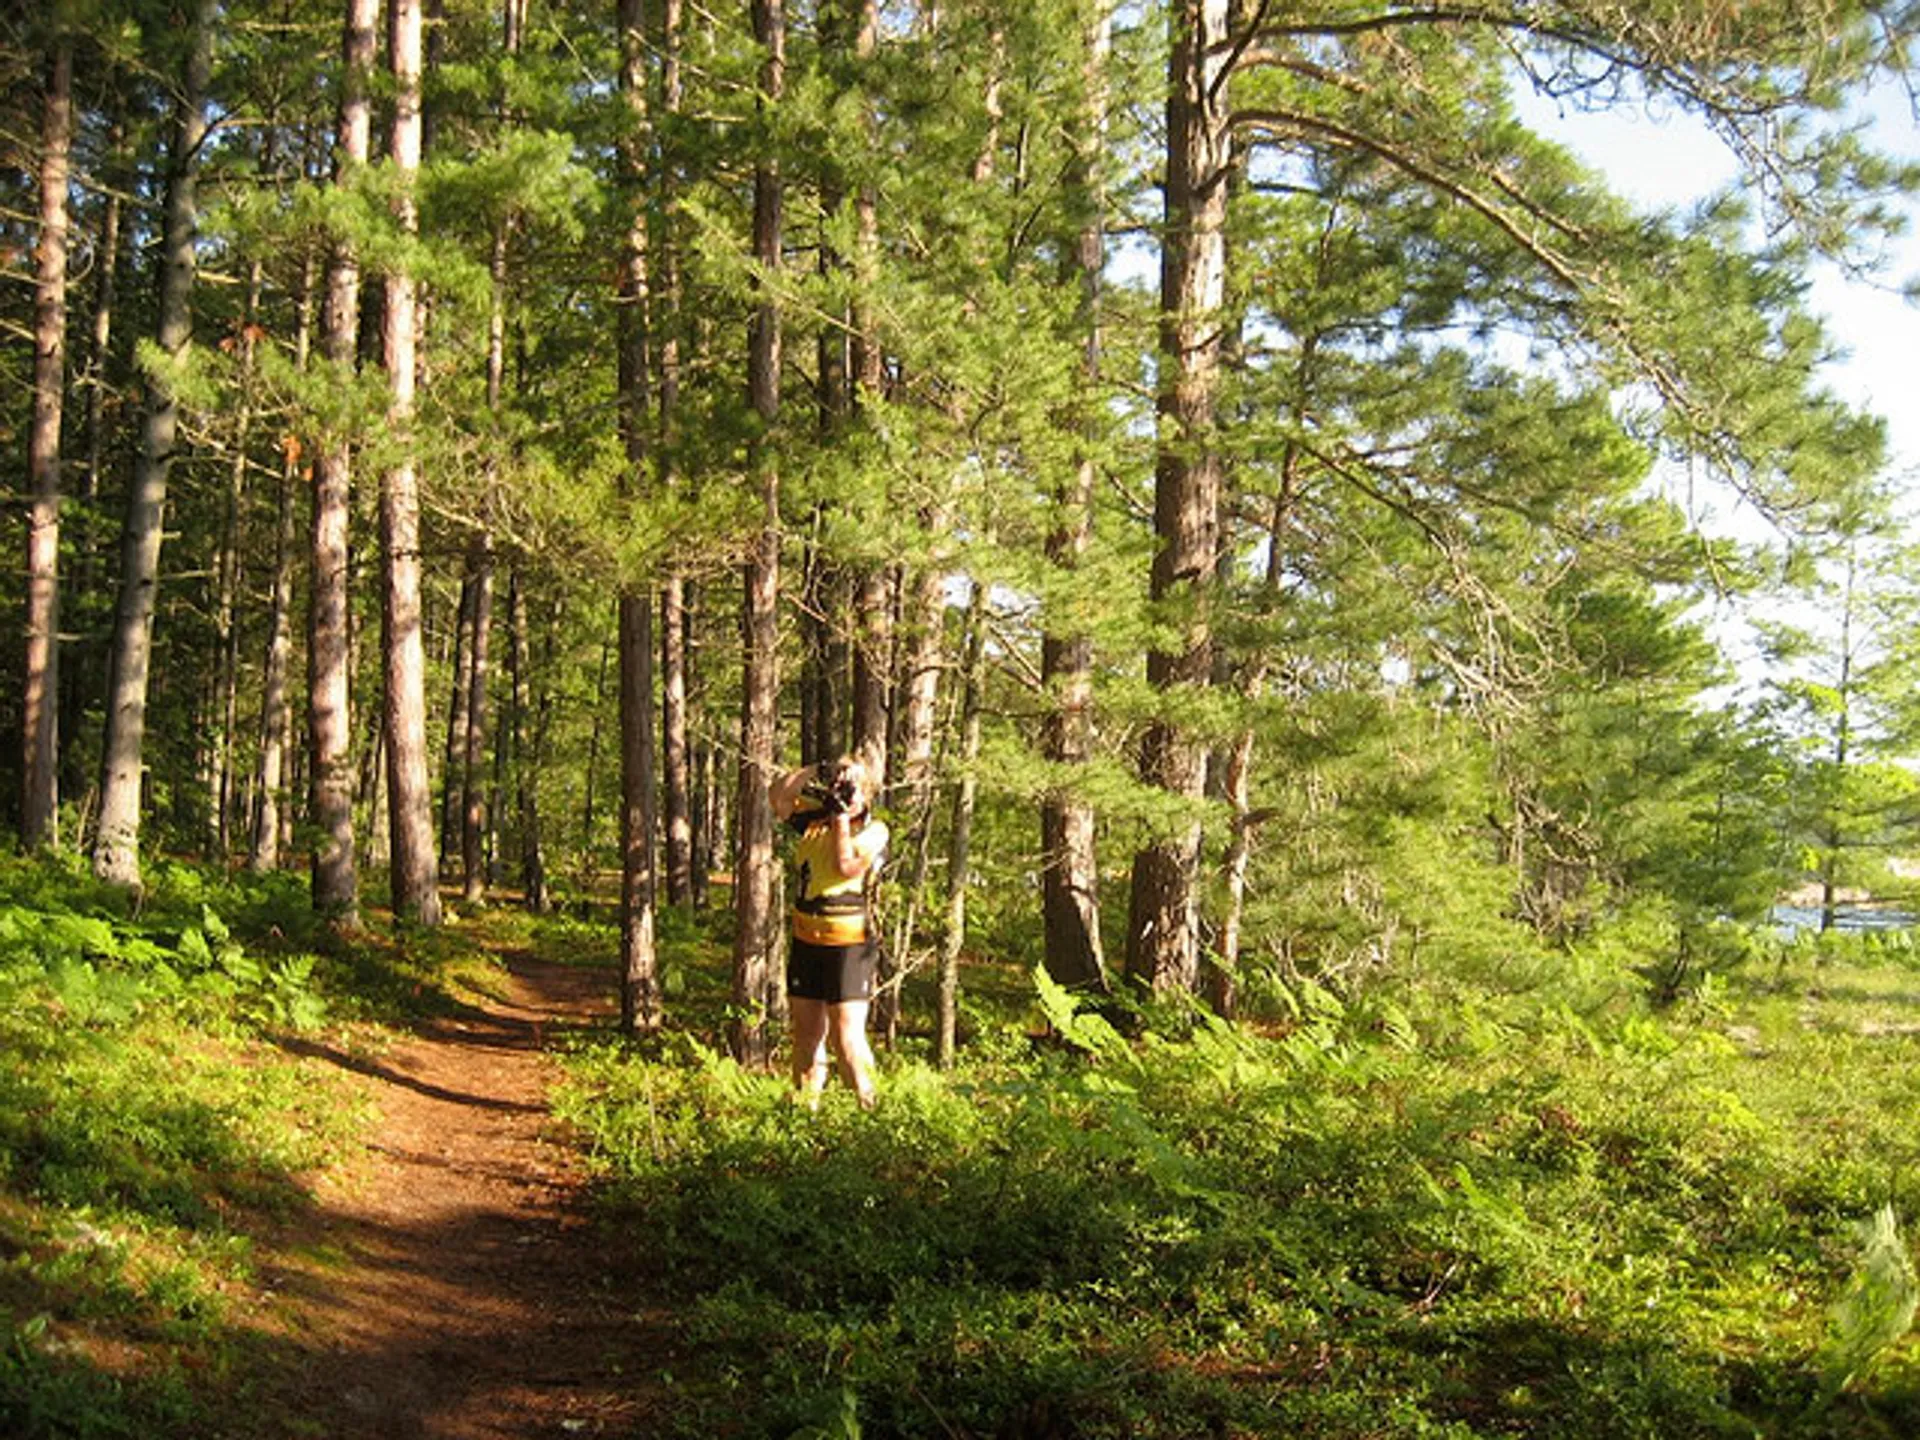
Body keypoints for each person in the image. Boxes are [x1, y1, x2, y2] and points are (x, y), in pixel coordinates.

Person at [770, 753, 890, 1109]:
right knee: (806, 1035)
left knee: (846, 1039)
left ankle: (870, 1113)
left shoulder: (875, 830)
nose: (844, 793)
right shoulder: (813, 819)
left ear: (866, 794)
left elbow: (846, 866)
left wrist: (840, 819)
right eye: (839, 784)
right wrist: (818, 770)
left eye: (851, 788)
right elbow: (778, 797)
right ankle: (807, 1115)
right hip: (807, 938)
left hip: (848, 944)